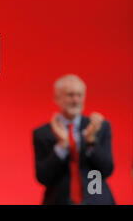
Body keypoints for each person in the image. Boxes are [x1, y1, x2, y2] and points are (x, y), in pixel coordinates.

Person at [32, 74, 115, 204]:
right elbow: (43, 177)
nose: (75, 100)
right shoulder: (43, 133)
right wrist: (61, 146)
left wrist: (91, 142)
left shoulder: (99, 127)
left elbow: (107, 169)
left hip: (97, 200)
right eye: (70, 95)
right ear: (57, 98)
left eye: (79, 95)